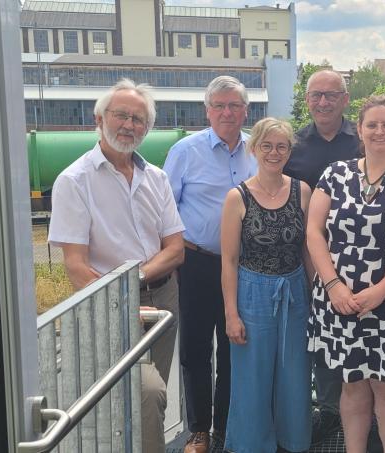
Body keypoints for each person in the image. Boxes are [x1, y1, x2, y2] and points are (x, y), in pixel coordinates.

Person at [48, 79, 183, 453]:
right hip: (108, 307)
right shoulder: (74, 182)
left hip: (162, 300)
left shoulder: (156, 178)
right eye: (121, 115)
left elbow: (175, 249)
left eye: (139, 119)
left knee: (151, 396)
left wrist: (135, 278)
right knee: (146, 392)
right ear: (99, 118)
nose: (129, 125)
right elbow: (75, 267)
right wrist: (123, 297)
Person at [307, 95, 385, 453]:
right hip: (339, 298)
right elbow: (314, 232)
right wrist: (333, 286)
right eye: (371, 124)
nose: (379, 131)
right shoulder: (335, 174)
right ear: (359, 130)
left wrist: (380, 291)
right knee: (352, 383)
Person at [163, 76, 258, 453]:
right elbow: (164, 211)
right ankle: (199, 429)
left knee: (235, 347)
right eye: (218, 105)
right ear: (207, 110)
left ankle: (226, 427)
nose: (227, 112)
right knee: (196, 349)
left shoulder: (258, 149)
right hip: (197, 265)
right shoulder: (185, 151)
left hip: (245, 267)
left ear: (246, 110)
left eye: (234, 105)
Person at [219, 117, 314, 453]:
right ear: (254, 148)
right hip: (252, 292)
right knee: (252, 376)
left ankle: (293, 441)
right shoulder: (237, 197)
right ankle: (251, 445)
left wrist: (316, 297)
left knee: (295, 375)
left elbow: (307, 250)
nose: (274, 153)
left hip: (295, 291)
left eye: (282, 146)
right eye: (267, 146)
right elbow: (229, 261)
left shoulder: (302, 191)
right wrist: (232, 314)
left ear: (289, 151)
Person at [283, 69, 360, 444]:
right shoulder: (291, 145)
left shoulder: (364, 139)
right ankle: (330, 412)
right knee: (324, 339)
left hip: (366, 261)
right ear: (307, 100)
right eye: (316, 95)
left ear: (346, 99)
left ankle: (365, 415)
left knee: (364, 337)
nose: (323, 102)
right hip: (306, 261)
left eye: (331, 95)